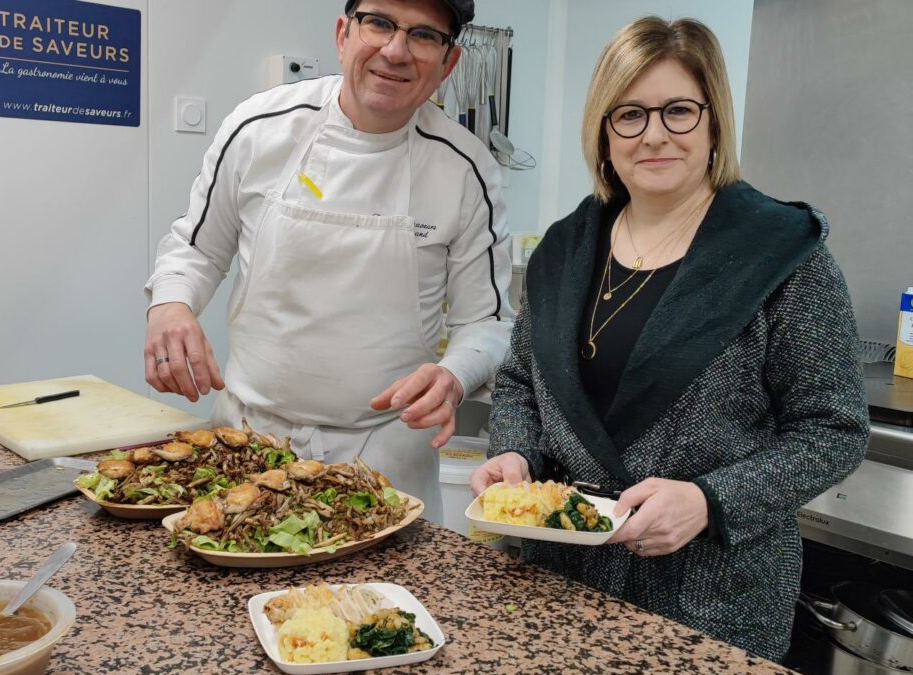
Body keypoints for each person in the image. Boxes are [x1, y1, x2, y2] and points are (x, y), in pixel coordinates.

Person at [471, 16, 868, 662]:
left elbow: (834, 427)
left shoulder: (780, 254)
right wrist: (516, 456)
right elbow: (520, 380)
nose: (653, 133)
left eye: (678, 110)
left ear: (713, 122)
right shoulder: (563, 251)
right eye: (629, 114)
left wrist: (710, 501)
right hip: (560, 584)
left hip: (711, 602)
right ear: (604, 132)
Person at [144, 0, 514, 522]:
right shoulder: (258, 128)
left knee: (378, 606)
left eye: (424, 35)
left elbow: (488, 322)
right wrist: (171, 307)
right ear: (344, 33)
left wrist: (454, 374)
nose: (395, 50)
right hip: (247, 448)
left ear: (448, 63)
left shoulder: (466, 168)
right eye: (379, 23)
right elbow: (196, 248)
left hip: (385, 467)